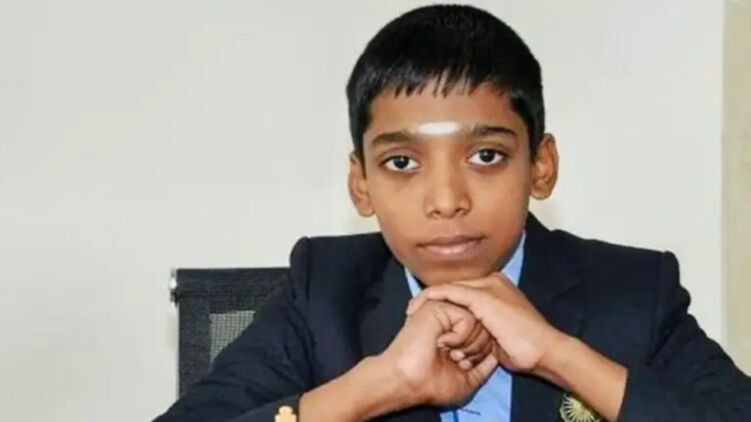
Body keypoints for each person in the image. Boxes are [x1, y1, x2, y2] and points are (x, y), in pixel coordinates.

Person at [155, 4, 751, 421]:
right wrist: (380, 385)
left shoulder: (634, 292)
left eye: (486, 155)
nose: (446, 200)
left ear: (541, 167)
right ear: (361, 185)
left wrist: (560, 355)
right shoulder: (324, 292)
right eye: (402, 163)